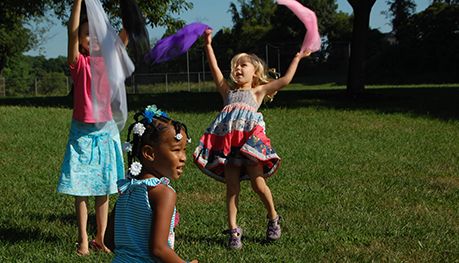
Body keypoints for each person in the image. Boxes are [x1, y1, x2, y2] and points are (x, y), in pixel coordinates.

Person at [193, 29, 311, 249]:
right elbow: (214, 69)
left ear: (255, 72)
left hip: (249, 144)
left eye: (243, 65)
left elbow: (285, 80)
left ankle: (273, 217)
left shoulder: (258, 91)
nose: (238, 68)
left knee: (258, 184)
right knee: (232, 188)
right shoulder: (227, 92)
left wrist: (297, 57)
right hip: (228, 146)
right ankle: (233, 231)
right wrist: (208, 44)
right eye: (236, 65)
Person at [56, 0, 129, 256]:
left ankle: (100, 238)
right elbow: (71, 31)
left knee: (105, 186)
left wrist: (128, 10)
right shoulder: (79, 63)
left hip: (106, 130)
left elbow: (125, 33)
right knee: (81, 187)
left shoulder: (110, 61)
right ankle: (83, 240)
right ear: (82, 40)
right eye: (88, 35)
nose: (93, 38)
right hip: (82, 132)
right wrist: (78, 2)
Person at [104, 105, 198, 263]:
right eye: (176, 150)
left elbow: (109, 241)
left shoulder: (126, 188)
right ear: (149, 153)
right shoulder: (163, 193)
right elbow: (158, 249)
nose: (183, 158)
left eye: (184, 150)